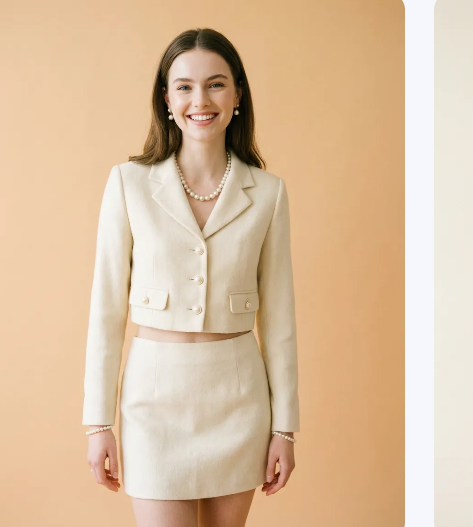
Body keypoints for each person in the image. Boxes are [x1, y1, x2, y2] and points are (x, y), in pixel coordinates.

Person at [82, 28, 299, 526]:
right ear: (166, 98)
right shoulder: (128, 183)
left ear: (238, 94)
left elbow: (281, 321)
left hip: (239, 406)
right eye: (183, 86)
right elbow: (106, 310)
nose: (200, 100)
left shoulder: (268, 192)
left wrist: (284, 430)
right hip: (153, 405)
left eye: (216, 84)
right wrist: (98, 422)